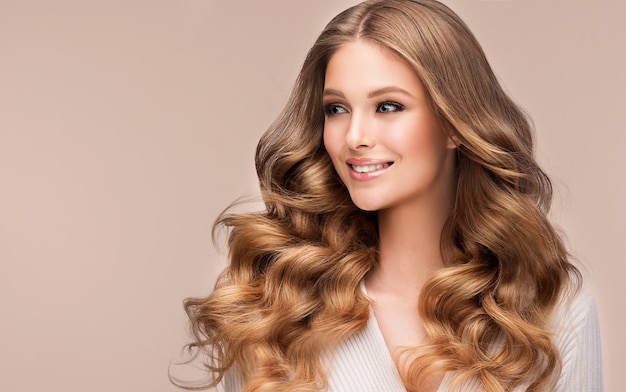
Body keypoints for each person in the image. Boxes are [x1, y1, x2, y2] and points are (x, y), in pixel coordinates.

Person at [180, 0, 603, 391]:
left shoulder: (555, 315)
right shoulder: (275, 306)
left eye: (387, 107)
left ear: (455, 122)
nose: (355, 137)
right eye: (336, 109)